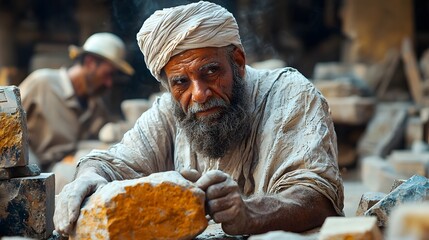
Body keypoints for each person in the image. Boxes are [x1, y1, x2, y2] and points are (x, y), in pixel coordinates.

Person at [54, 1, 344, 236]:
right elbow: (113, 162)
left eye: (211, 72)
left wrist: (249, 212)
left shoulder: (292, 94)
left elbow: (318, 197)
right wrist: (88, 176)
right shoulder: (170, 109)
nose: (199, 94)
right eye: (181, 81)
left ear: (238, 63)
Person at [19, 32, 134, 171]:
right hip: (36, 171)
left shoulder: (95, 104)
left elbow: (104, 137)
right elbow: (6, 122)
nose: (109, 84)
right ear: (90, 62)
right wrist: (26, 163)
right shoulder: (42, 83)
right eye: (107, 74)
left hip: (68, 165)